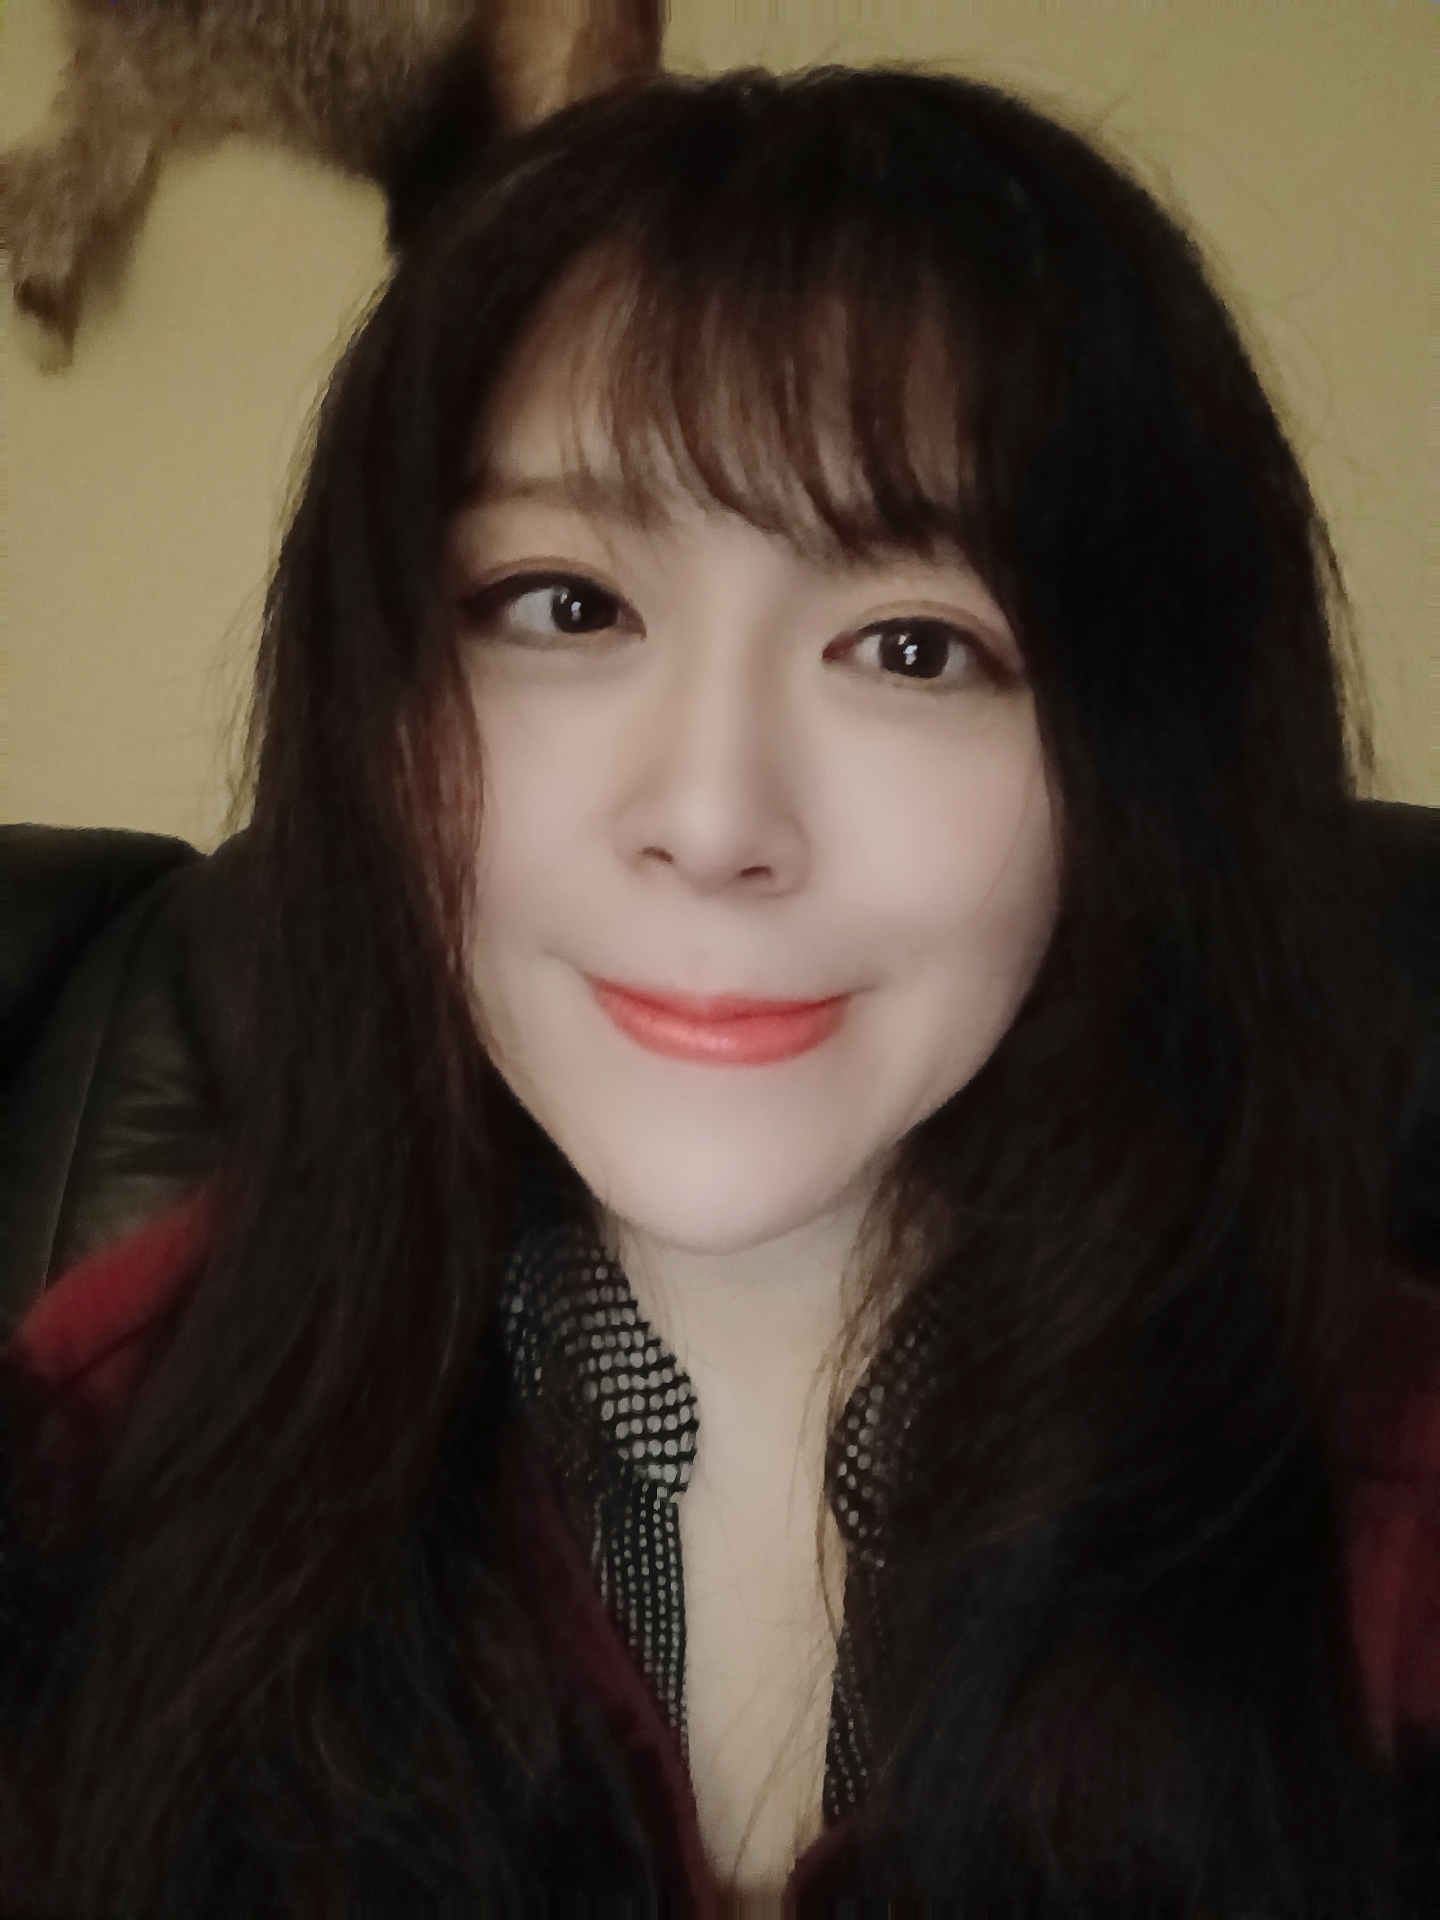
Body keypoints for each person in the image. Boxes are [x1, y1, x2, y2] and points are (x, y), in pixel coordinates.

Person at [1, 63, 1435, 1914]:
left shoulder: (1390, 1531)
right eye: (566, 605)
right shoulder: (94, 1461)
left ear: (1141, 767)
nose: (710, 819)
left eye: (912, 645)